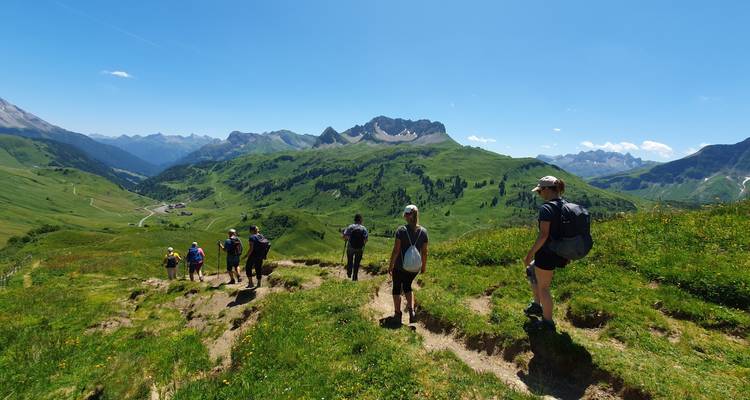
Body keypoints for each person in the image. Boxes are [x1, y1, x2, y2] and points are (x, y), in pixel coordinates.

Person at [523, 176, 569, 332]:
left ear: (547, 189)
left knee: (544, 288)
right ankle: (536, 305)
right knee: (531, 270)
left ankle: (548, 323)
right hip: (561, 252)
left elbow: (543, 235)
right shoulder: (565, 204)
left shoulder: (547, 208)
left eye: (540, 191)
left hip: (547, 253)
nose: (539, 194)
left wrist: (530, 254)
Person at [388, 204, 428, 325]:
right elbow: (425, 252)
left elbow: (396, 250)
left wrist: (391, 265)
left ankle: (397, 314)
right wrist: (424, 266)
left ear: (406, 216)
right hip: (414, 268)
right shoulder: (423, 232)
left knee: (396, 288)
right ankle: (411, 312)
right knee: (407, 287)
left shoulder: (401, 230)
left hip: (400, 266)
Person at [342, 214, 368, 281]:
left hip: (351, 246)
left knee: (350, 260)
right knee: (357, 263)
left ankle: (349, 273)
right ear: (361, 220)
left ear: (354, 220)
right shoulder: (364, 228)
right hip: (359, 248)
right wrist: (362, 245)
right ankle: (355, 277)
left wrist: (347, 239)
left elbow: (344, 236)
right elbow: (366, 240)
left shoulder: (350, 227)